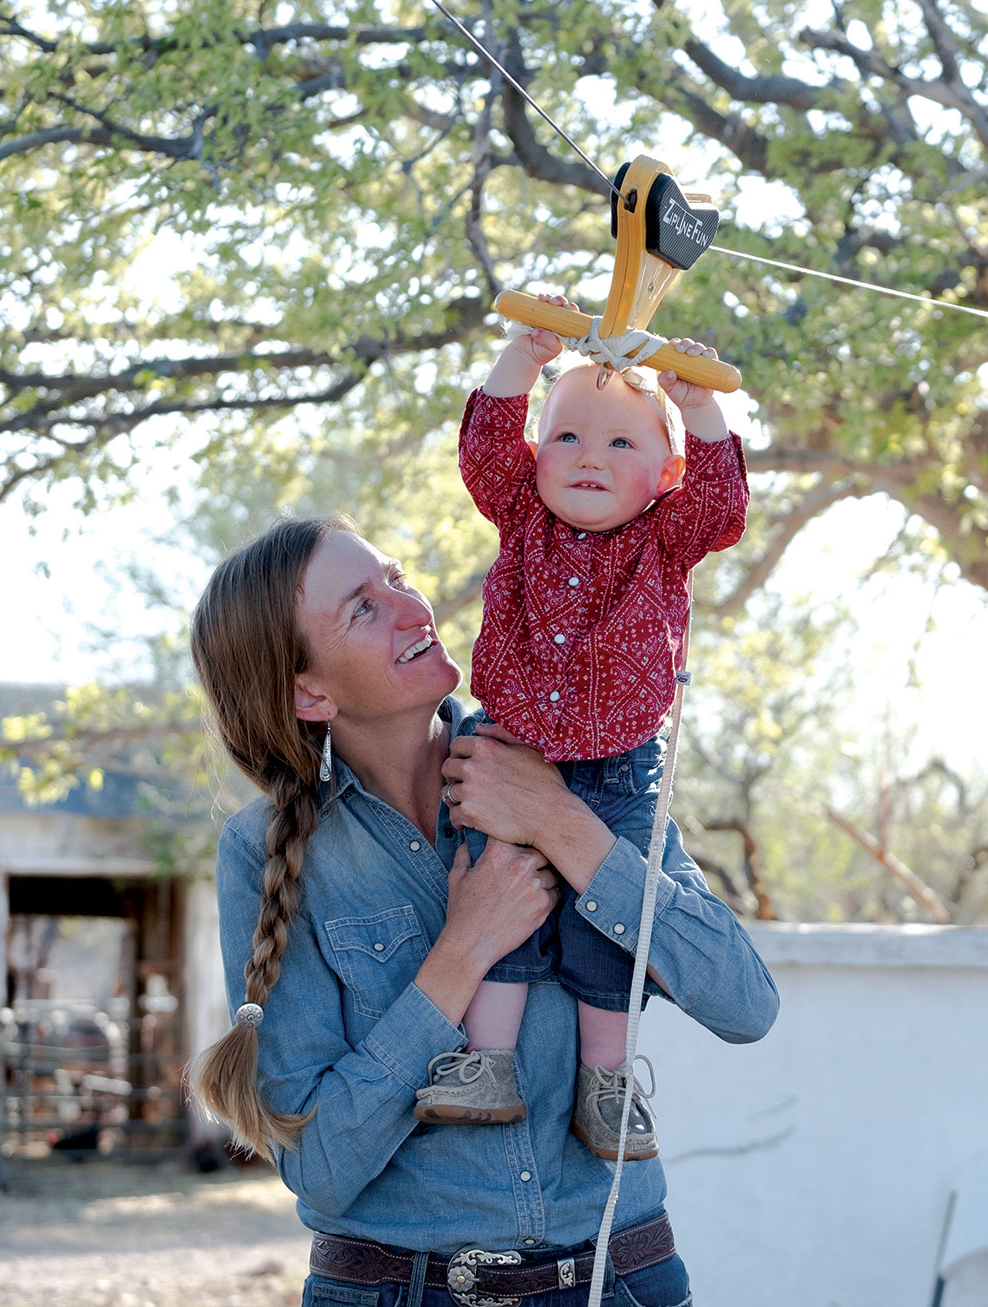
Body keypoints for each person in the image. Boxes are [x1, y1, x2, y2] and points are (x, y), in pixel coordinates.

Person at [187, 517, 777, 1307]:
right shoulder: (264, 853)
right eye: (363, 607)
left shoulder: (586, 771)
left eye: (396, 576)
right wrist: (462, 953)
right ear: (309, 692)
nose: (412, 607)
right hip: (403, 1289)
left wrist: (561, 824)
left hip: (620, 1280)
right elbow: (321, 1169)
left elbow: (746, 1004)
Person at [420, 298, 747, 1157]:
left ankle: (606, 1083)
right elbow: (485, 450)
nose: (590, 458)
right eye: (566, 437)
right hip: (511, 747)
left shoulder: (666, 536)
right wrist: (523, 362)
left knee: (613, 925)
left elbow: (720, 502)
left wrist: (703, 408)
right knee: (501, 897)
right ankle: (488, 1064)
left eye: (621, 443)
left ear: (663, 473)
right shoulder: (523, 515)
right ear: (538, 456)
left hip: (619, 769)